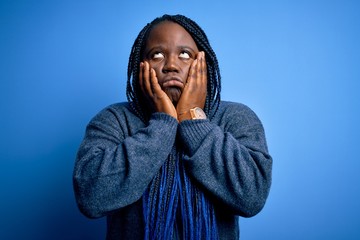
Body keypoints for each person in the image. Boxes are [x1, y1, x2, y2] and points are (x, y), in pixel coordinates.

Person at [73, 14, 272, 240]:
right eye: (157, 55)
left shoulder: (235, 117)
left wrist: (193, 120)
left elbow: (252, 197)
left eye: (185, 55)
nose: (171, 66)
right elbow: (91, 198)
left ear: (203, 65)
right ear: (141, 66)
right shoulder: (114, 120)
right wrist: (162, 125)